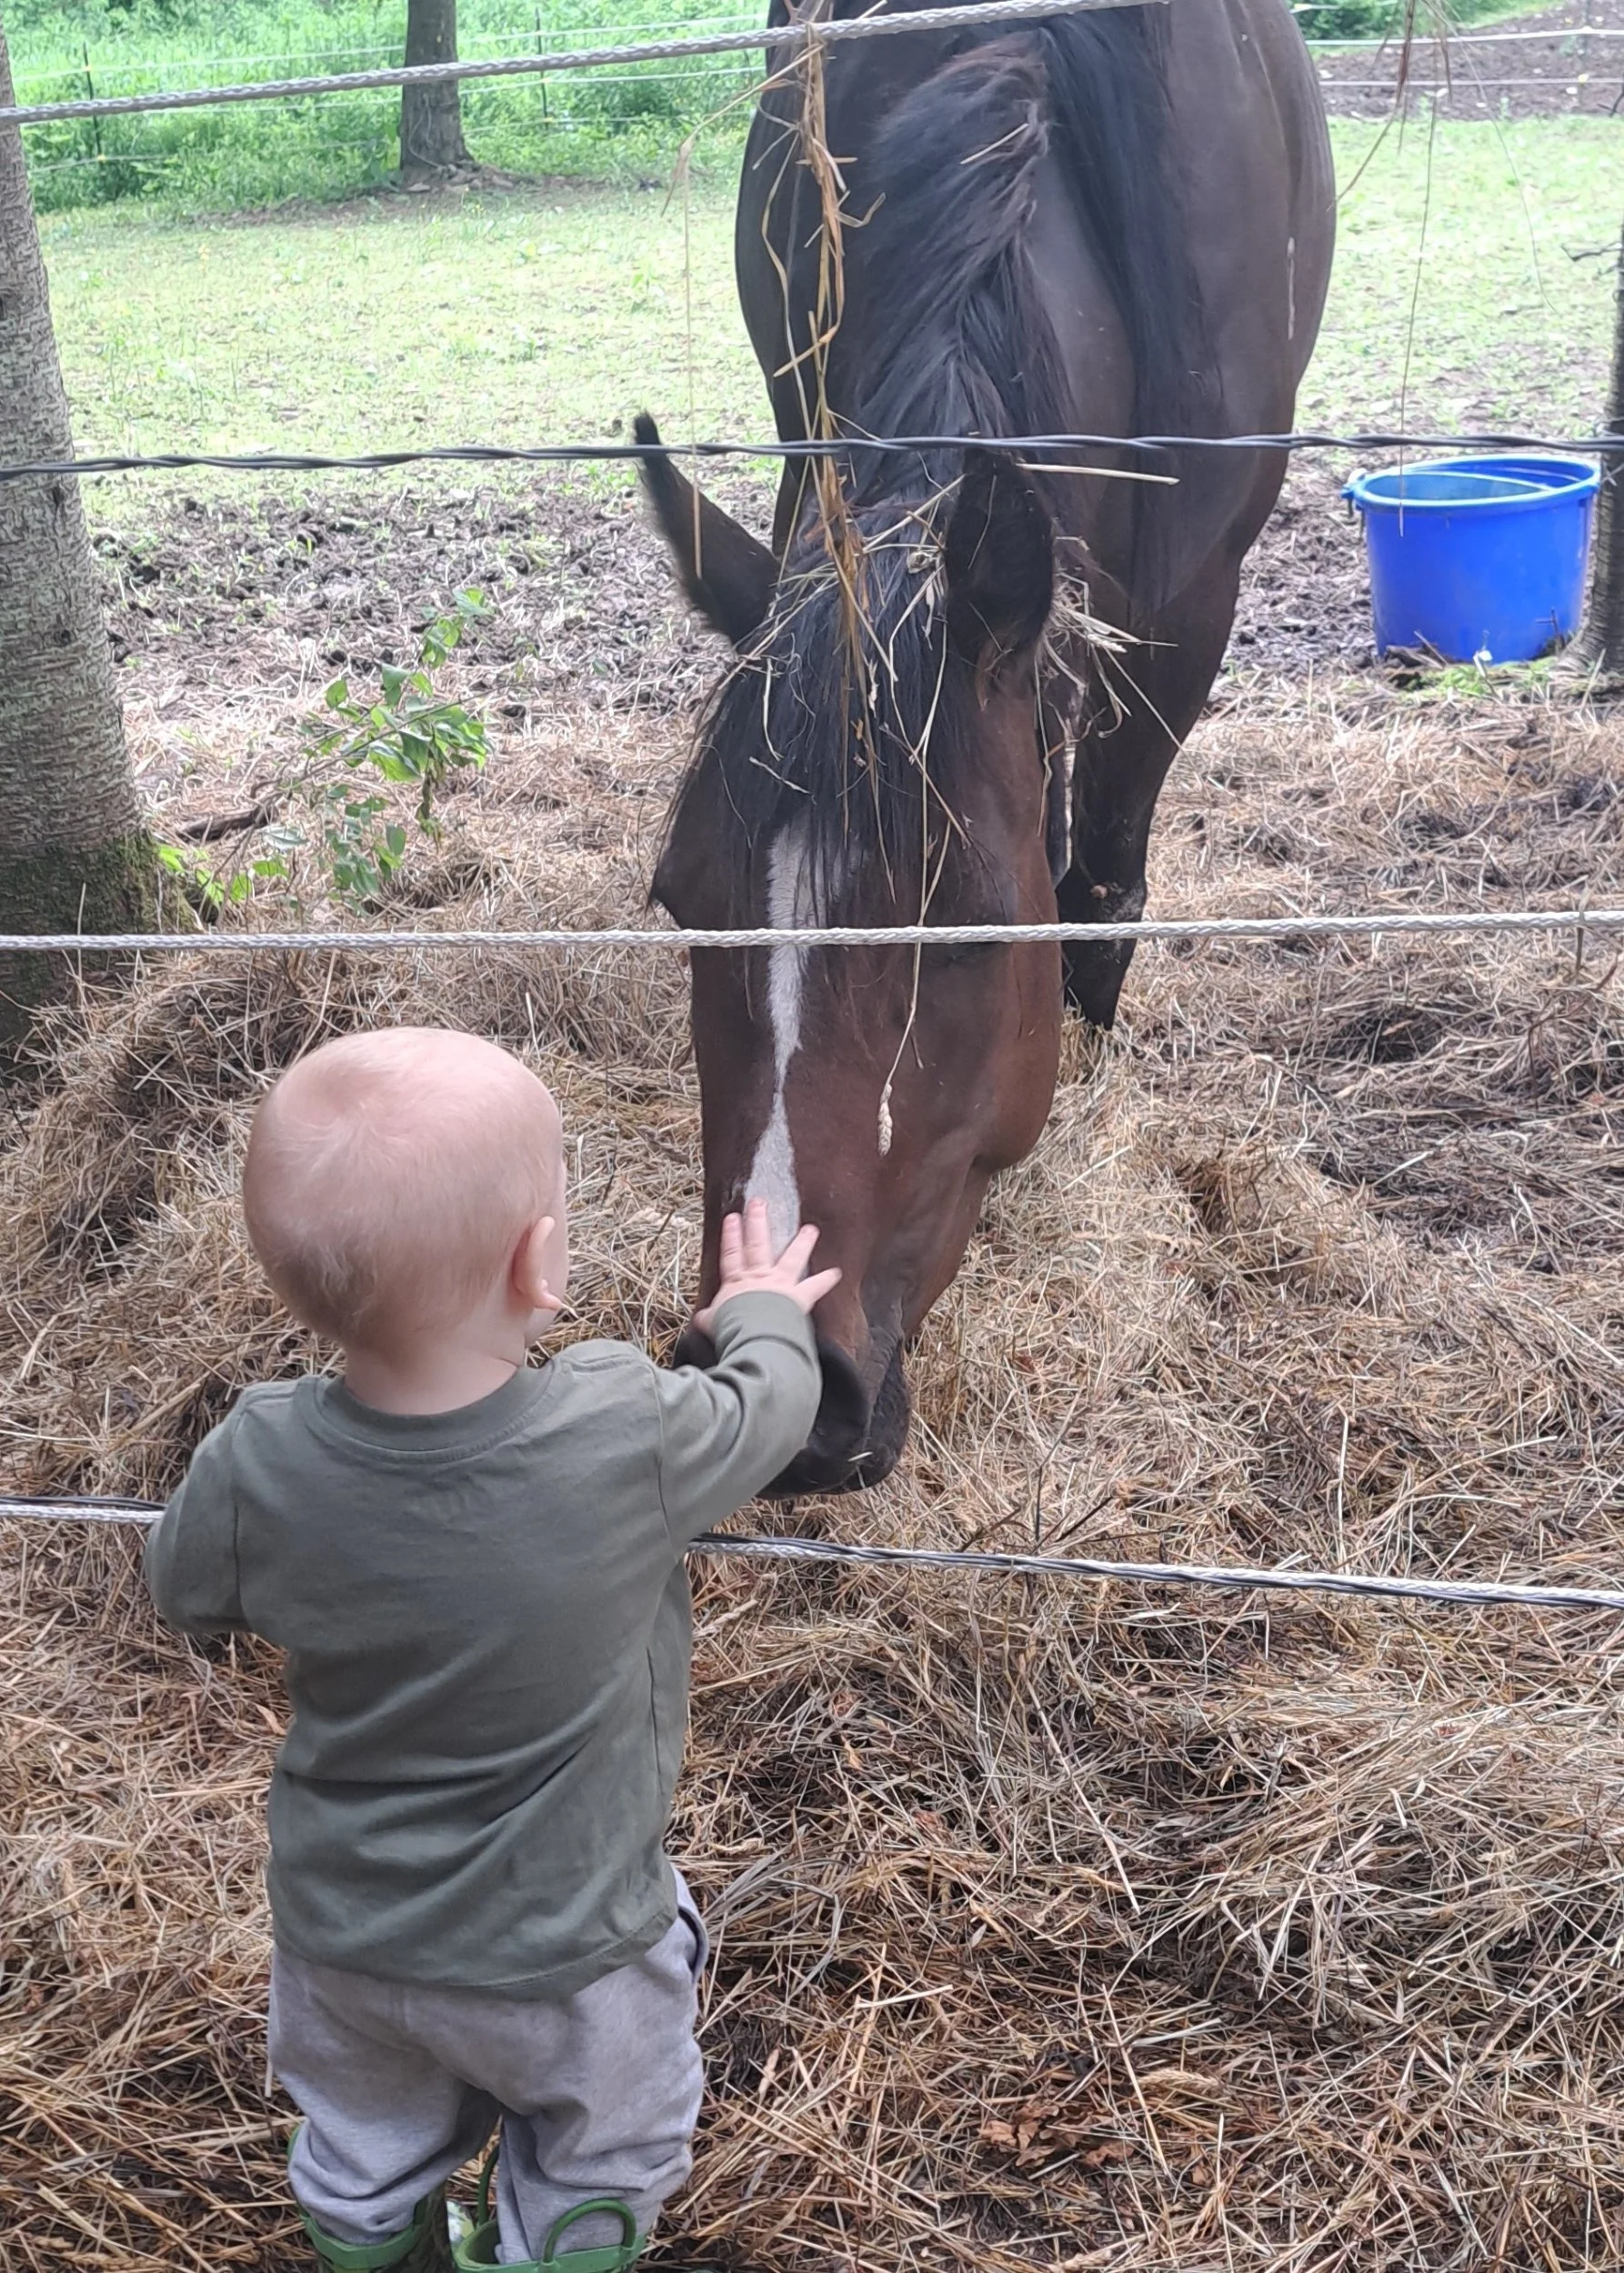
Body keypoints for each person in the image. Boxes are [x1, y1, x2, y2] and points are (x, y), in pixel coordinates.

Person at [144, 1026, 836, 2273]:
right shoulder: (621, 1427)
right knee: (602, 2148)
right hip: (569, 1954)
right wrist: (766, 1317)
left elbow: (182, 1592)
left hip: (343, 1941)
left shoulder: (255, 1453)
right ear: (541, 1259)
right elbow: (771, 1416)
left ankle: (377, 2249)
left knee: (361, 2142)